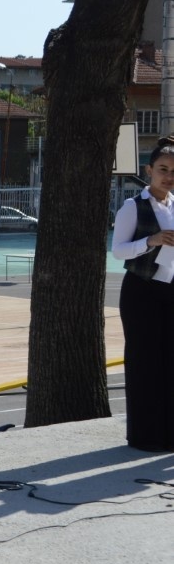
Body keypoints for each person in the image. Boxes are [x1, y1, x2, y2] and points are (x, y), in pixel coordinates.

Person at [112, 135, 174, 452]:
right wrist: (151, 241)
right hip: (141, 291)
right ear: (149, 170)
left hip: (171, 290)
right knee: (145, 363)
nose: (168, 176)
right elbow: (118, 251)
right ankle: (146, 436)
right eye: (163, 169)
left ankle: (169, 434)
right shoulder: (133, 207)